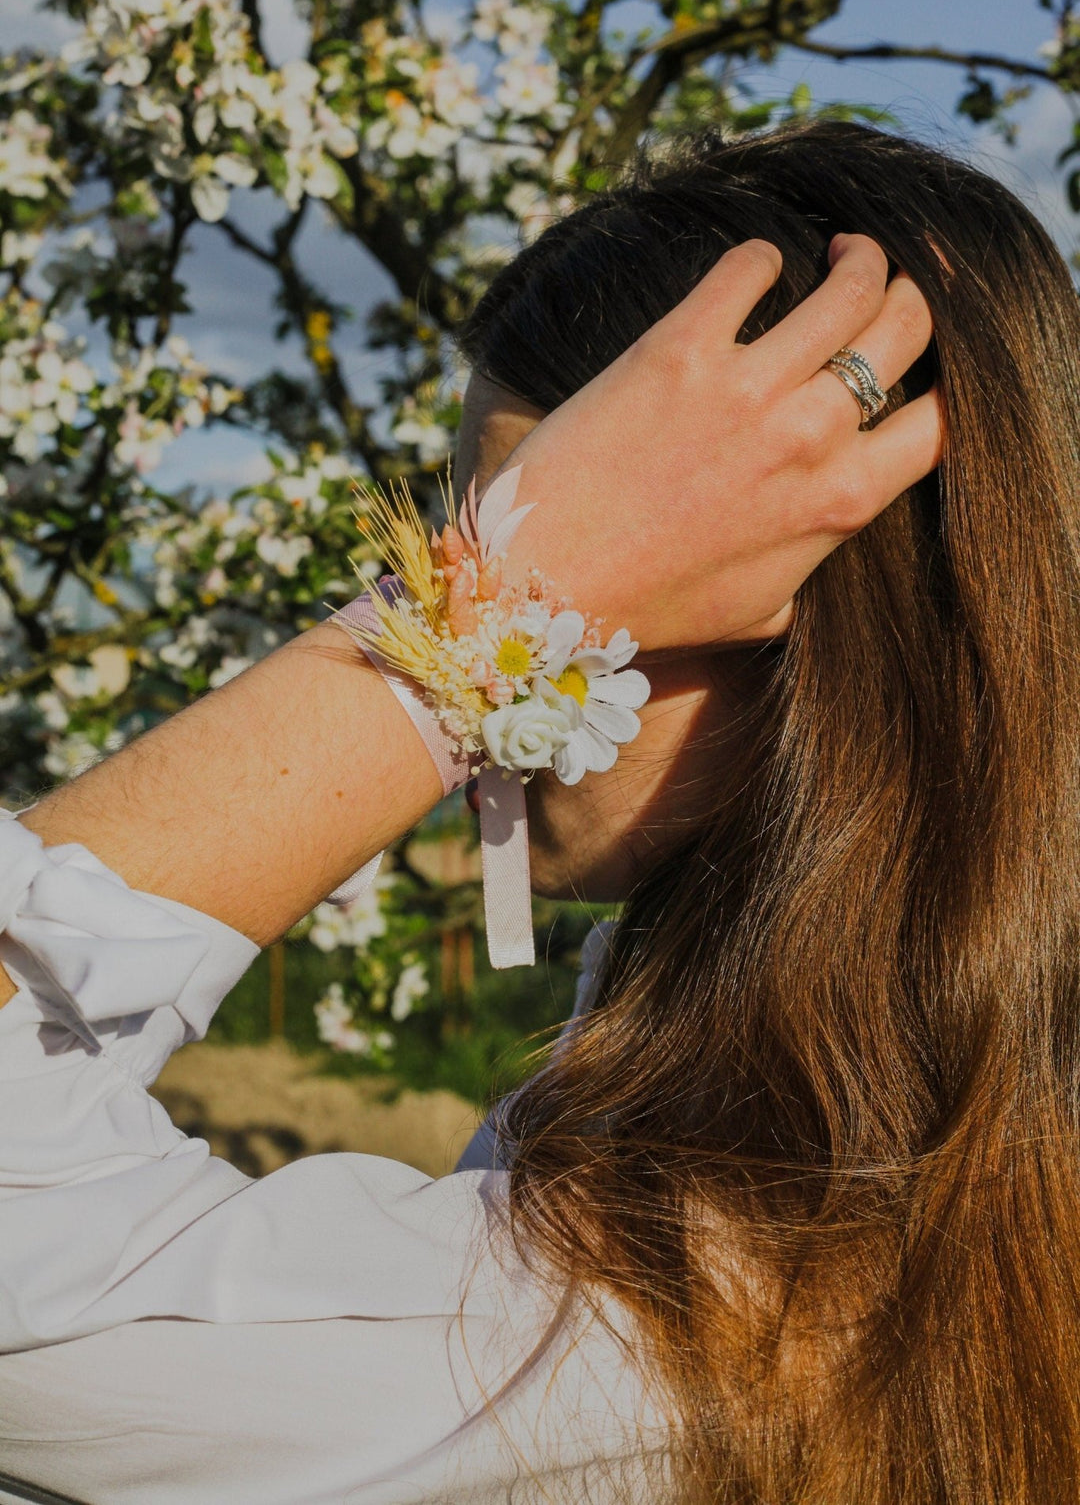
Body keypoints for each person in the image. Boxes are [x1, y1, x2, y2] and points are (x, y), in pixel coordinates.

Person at [0, 114, 1066, 1502]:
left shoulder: (664, 1334)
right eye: (483, 544)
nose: (487, 607)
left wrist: (466, 643)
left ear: (827, 640)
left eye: (593, 555)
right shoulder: (853, 1143)